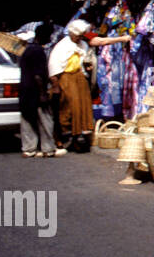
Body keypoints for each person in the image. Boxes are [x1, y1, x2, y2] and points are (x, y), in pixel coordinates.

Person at [48, 19, 96, 151]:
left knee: (82, 108)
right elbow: (54, 66)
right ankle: (63, 137)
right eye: (78, 35)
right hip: (66, 78)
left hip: (79, 78)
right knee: (68, 108)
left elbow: (83, 60)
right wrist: (55, 84)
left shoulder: (82, 45)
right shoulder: (62, 46)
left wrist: (88, 67)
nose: (80, 38)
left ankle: (78, 137)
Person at [19, 24, 63, 158]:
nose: (50, 38)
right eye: (49, 35)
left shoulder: (27, 49)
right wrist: (43, 93)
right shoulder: (38, 51)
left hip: (25, 90)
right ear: (42, 36)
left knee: (27, 119)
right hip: (35, 91)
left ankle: (28, 149)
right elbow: (38, 75)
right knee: (45, 119)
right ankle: (48, 148)